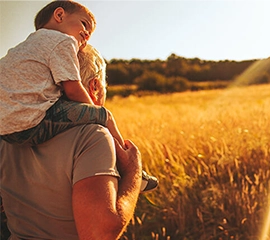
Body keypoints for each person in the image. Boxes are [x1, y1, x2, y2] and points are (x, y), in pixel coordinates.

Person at [0, 0, 157, 192]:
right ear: (59, 15)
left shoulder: (21, 49)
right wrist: (94, 113)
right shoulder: (63, 41)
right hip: (32, 123)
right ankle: (130, 168)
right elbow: (73, 89)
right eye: (84, 24)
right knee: (104, 116)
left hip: (6, 130)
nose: (87, 34)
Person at [0, 44, 146, 239]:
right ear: (94, 87)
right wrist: (133, 174)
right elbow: (100, 234)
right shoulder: (92, 136)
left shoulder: (10, 134)